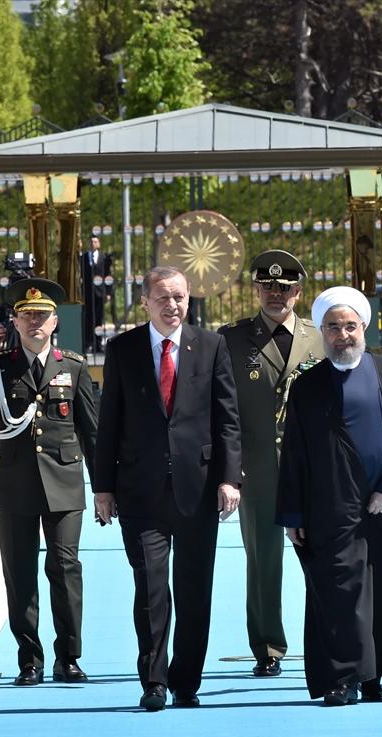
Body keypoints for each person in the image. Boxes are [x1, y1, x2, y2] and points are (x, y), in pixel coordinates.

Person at [276, 287, 382, 706]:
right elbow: (295, 452)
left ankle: (374, 675)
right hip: (330, 505)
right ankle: (344, 678)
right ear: (322, 332)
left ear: (363, 328)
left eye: (350, 326)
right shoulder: (307, 385)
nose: (342, 335)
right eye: (333, 327)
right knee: (340, 589)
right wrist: (294, 514)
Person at [92, 266, 242, 712]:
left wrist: (230, 478)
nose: (172, 305)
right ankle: (154, 681)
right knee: (151, 589)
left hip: (199, 490)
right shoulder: (122, 349)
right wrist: (103, 488)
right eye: (163, 297)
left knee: (194, 591)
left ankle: (186, 680)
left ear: (189, 299)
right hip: (140, 492)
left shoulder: (211, 346)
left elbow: (227, 418)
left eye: (179, 297)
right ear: (145, 302)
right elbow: (109, 422)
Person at [0, 278, 98, 686]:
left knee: (65, 567)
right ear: (15, 321)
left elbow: (91, 431)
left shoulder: (73, 366)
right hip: (14, 482)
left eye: (42, 316)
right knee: (20, 572)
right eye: (27, 315)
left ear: (54, 322)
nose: (35, 322)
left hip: (64, 481)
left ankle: (69, 657)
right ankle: (29, 659)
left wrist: (104, 487)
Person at [218, 250, 320, 678]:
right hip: (256, 467)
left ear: (299, 292)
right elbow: (223, 410)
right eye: (267, 286)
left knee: (320, 557)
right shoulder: (232, 339)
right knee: (263, 561)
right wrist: (229, 470)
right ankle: (268, 646)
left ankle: (328, 639)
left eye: (285, 288)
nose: (275, 294)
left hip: (310, 468)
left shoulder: (320, 336)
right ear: (256, 289)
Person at [80, 235, 110, 352]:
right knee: (88, 318)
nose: (93, 243)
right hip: (87, 293)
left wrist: (108, 292)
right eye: (91, 242)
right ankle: (88, 343)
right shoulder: (83, 258)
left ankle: (97, 344)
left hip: (100, 293)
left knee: (98, 319)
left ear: (99, 243)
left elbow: (108, 275)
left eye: (95, 241)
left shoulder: (104, 257)